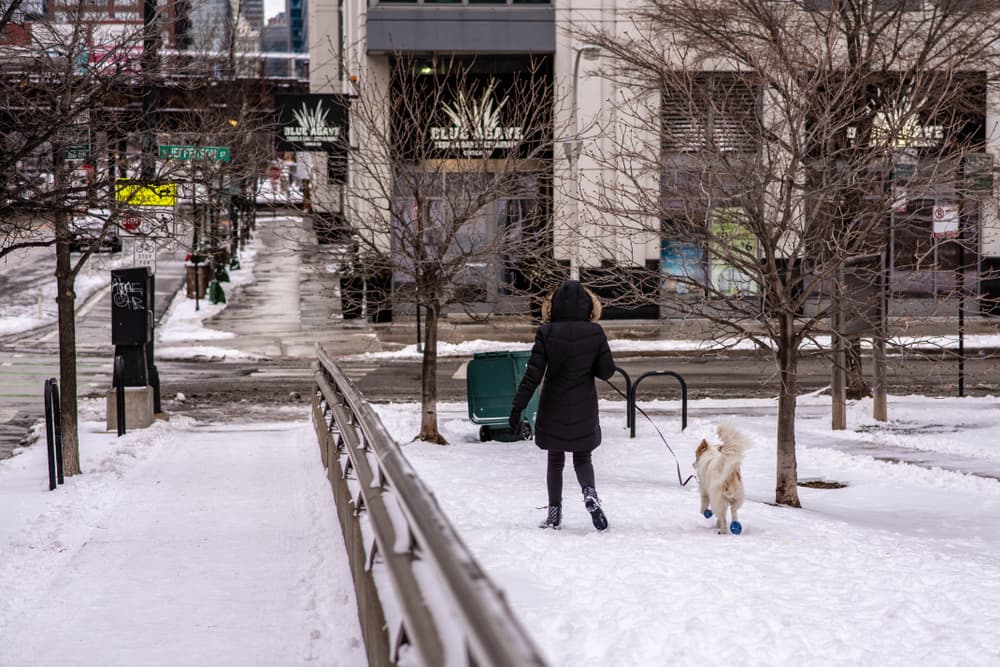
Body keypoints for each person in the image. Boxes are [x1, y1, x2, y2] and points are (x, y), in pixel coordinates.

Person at [508, 280, 616, 531]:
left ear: (553, 306)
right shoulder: (595, 332)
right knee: (583, 456)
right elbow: (606, 372)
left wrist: (517, 408)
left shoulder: (546, 333)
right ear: (589, 305)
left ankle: (554, 514)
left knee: (555, 460)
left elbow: (533, 376)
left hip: (553, 406)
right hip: (583, 407)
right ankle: (589, 493)